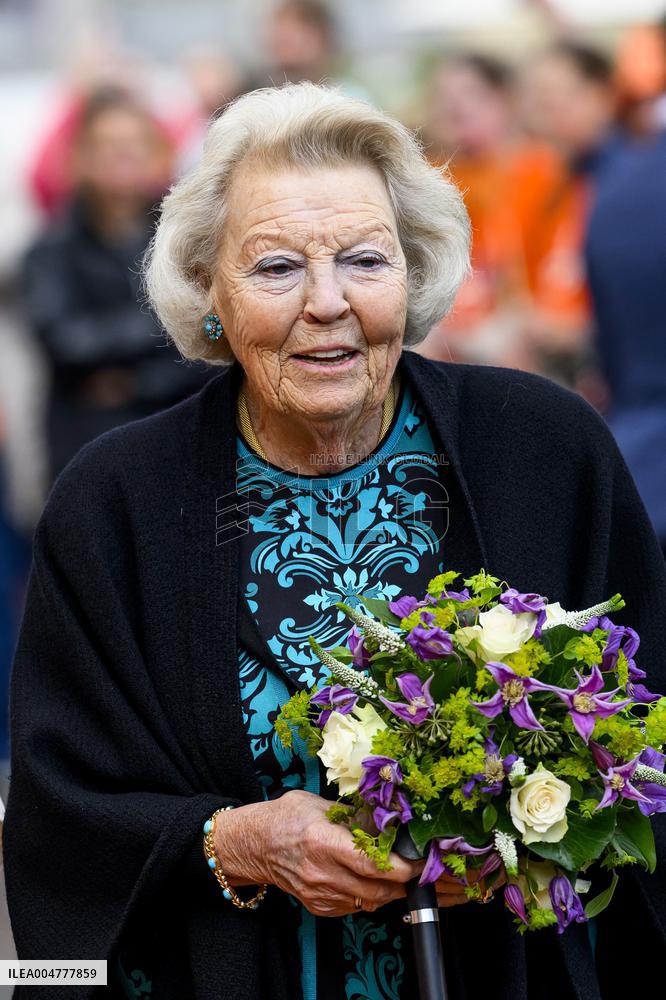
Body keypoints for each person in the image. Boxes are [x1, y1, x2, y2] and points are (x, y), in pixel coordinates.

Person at [3, 82, 666, 1000]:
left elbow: (649, 736)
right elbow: (57, 820)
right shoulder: (116, 505)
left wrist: (541, 844)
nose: (327, 302)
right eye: (276, 268)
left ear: (416, 269)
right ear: (208, 292)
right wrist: (234, 843)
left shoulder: (546, 451)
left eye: (365, 259)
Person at [22, 86, 211, 484]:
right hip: (88, 443)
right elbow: (65, 343)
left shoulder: (184, 240)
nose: (121, 154)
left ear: (157, 150)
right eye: (107, 144)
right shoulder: (50, 249)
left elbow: (212, 330)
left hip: (180, 430)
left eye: (133, 142)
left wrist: (137, 380)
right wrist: (170, 322)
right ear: (80, 158)